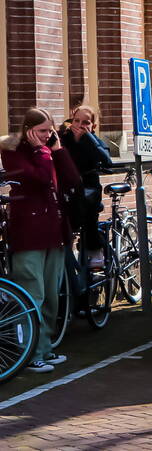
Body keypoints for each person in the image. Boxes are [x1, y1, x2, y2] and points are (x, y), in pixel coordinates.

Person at [0, 107, 80, 374]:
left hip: (54, 232)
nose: (47, 135)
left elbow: (72, 179)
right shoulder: (12, 151)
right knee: (32, 294)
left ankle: (44, 348)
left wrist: (58, 150)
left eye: (50, 130)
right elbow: (40, 179)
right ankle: (29, 354)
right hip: (29, 233)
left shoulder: (48, 149)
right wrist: (42, 152)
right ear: (28, 130)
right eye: (42, 131)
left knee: (51, 296)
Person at [59, 105, 113, 270]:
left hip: (89, 186)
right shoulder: (64, 138)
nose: (80, 125)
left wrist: (89, 137)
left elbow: (107, 161)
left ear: (93, 126)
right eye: (76, 121)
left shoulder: (94, 140)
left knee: (87, 208)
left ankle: (95, 249)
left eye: (85, 122)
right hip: (68, 186)